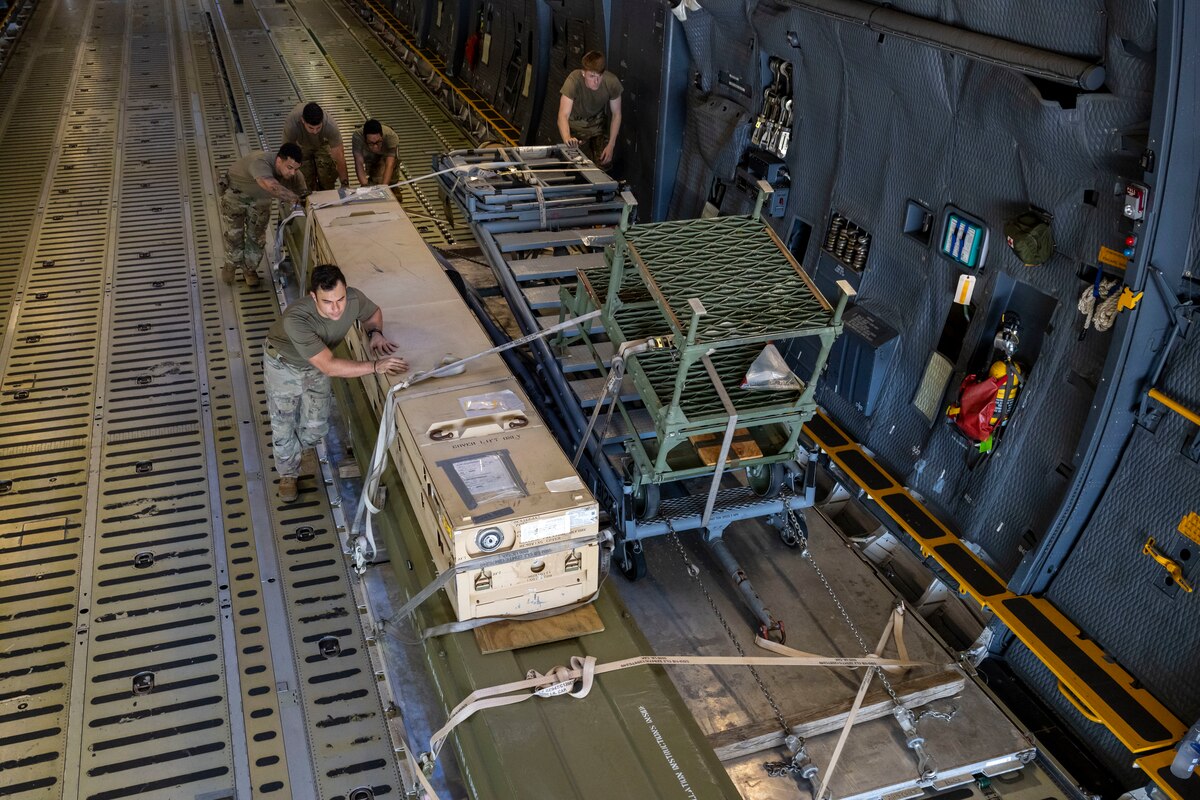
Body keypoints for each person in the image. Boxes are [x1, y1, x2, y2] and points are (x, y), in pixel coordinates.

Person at [263, 264, 409, 502]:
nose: (336, 308)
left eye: (340, 299)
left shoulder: (353, 298)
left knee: (317, 426)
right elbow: (329, 366)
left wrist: (375, 333)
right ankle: (288, 473)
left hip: (317, 362)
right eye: (327, 302)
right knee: (283, 423)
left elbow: (372, 314)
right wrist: (375, 366)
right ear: (313, 297)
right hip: (285, 366)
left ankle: (299, 449)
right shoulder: (297, 319)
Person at [220, 143, 307, 287]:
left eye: (296, 169)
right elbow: (271, 186)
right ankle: (231, 263)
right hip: (236, 196)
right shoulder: (260, 162)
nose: (292, 173)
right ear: (279, 161)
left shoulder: (295, 175)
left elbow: (304, 196)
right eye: (289, 168)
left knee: (257, 237)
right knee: (234, 234)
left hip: (260, 200)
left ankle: (249, 270)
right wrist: (294, 198)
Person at [557, 51, 623, 167]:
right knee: (572, 165)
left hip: (596, 125)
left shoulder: (612, 82)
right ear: (583, 73)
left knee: (604, 162)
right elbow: (563, 115)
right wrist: (567, 138)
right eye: (592, 76)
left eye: (599, 76)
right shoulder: (573, 80)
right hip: (574, 125)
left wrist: (611, 145)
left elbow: (617, 114)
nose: (596, 81)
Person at [282, 101, 349, 191]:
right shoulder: (292, 124)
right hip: (301, 146)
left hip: (322, 144)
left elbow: (339, 157)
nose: (315, 131)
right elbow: (287, 155)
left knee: (327, 175)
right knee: (305, 181)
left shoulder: (330, 125)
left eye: (318, 128)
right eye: (311, 128)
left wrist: (345, 184)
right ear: (303, 121)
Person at [352, 119, 400, 186]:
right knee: (374, 177)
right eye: (371, 143)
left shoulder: (391, 137)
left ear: (382, 136)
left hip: (385, 152)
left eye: (378, 142)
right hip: (368, 153)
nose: (375, 147)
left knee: (389, 178)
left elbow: (389, 164)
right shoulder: (357, 137)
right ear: (365, 138)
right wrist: (365, 186)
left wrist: (384, 188)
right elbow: (358, 162)